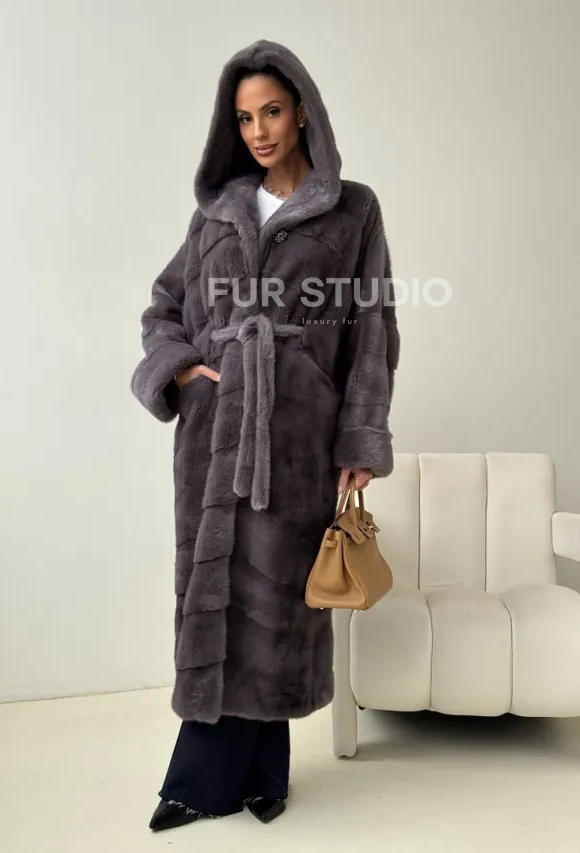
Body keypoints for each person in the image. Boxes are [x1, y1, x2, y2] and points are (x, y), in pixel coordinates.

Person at [130, 38, 400, 831]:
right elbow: (163, 306)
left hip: (297, 434)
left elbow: (372, 331)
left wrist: (359, 440)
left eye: (272, 112)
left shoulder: (354, 210)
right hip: (214, 438)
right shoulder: (215, 213)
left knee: (277, 600)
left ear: (302, 111)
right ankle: (213, 778)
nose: (259, 131)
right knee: (214, 596)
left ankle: (252, 774)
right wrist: (181, 369)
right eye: (245, 118)